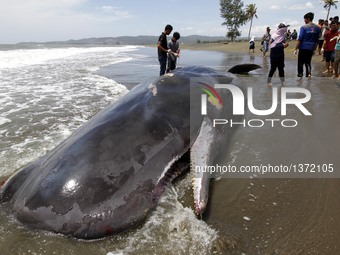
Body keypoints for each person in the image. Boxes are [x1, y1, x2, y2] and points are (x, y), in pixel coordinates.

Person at [293, 12, 321, 79]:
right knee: (308, 62)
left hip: (303, 47)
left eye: (305, 19)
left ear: (308, 19)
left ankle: (300, 75)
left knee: (300, 62)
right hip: (311, 47)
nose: (304, 21)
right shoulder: (317, 28)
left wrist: (295, 49)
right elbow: (317, 39)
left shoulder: (304, 27)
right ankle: (308, 75)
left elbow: (300, 38)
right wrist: (314, 48)